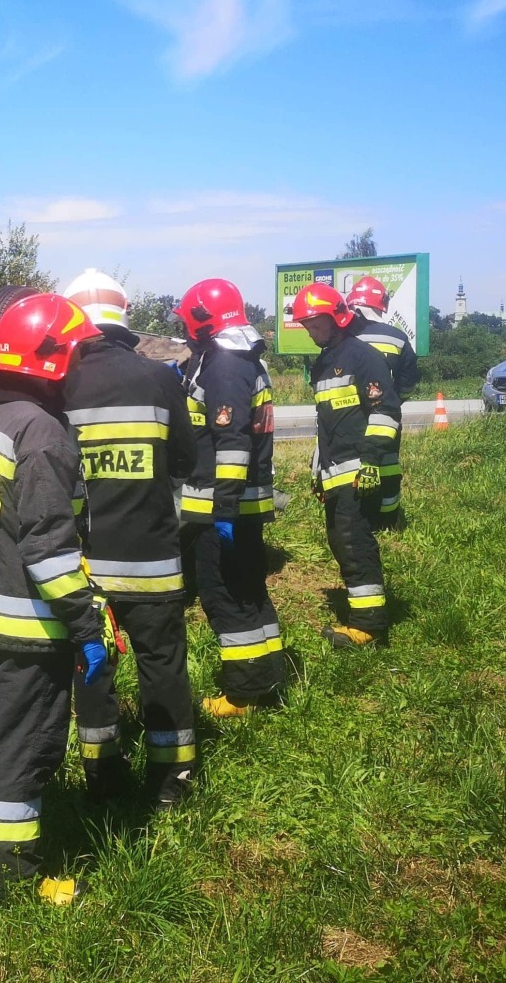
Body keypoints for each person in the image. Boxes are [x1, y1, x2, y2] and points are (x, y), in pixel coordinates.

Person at [0, 293, 112, 903]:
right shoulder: (42, 433)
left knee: (1, 733)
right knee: (25, 746)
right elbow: (48, 552)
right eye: (75, 355)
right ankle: (7, 878)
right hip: (29, 621)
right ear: (53, 361)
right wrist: (86, 623)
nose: (80, 367)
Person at [56, 270, 199, 806]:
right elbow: (187, 460)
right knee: (163, 665)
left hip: (83, 561)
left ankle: (103, 776)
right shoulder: (161, 379)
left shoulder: (58, 385)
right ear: (124, 317)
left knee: (92, 667)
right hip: (153, 557)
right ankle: (172, 781)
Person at [175, 279, 287, 715]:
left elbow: (233, 442)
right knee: (248, 588)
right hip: (242, 503)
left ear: (202, 322)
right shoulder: (239, 360)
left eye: (187, 323)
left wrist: (223, 510)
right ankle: (267, 674)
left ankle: (242, 693)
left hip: (225, 506)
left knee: (222, 593)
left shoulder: (223, 365)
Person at [292, 282, 402, 648]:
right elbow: (328, 424)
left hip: (358, 470)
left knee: (355, 544)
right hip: (335, 470)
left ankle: (369, 627)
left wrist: (370, 463)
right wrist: (318, 470)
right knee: (341, 541)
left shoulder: (363, 356)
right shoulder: (324, 361)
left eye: (315, 323)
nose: (310, 331)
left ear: (336, 317)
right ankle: (364, 617)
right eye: (306, 324)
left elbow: (385, 412)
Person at [344, 276, 419, 528]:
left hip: (348, 417)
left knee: (350, 464)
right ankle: (387, 520)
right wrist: (392, 402)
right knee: (387, 464)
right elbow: (409, 380)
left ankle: (356, 515)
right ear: (381, 304)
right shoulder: (397, 338)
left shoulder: (343, 337)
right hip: (386, 418)